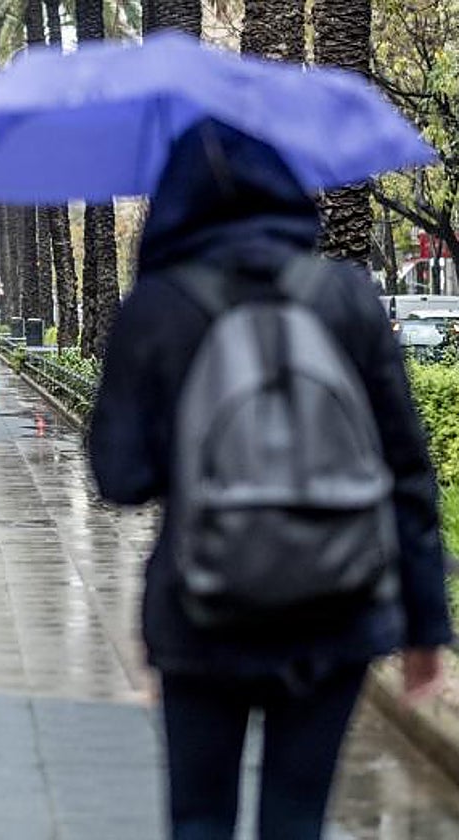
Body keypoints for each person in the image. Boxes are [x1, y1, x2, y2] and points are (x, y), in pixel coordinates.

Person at [87, 120, 452, 840]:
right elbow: (407, 471)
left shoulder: (157, 309)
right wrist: (425, 628)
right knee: (296, 819)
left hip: (201, 608)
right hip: (339, 610)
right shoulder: (346, 298)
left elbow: (120, 477)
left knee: (200, 818)